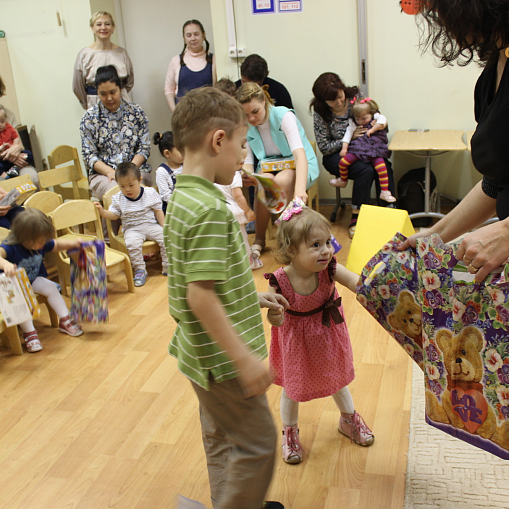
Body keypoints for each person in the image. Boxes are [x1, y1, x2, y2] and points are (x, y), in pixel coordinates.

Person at [165, 86, 286, 509]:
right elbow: (200, 297)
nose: (242, 157)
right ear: (219, 140)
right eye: (241, 143)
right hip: (223, 362)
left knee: (220, 435)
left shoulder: (182, 198)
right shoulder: (213, 210)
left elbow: (201, 281)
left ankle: (225, 500)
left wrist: (252, 298)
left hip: (198, 357)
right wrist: (244, 360)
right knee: (258, 444)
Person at [398, 0, 509, 283]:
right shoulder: (495, 67)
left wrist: (506, 232)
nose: (439, 19)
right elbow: (497, 183)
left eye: (438, 9)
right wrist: (436, 234)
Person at [264, 202, 374, 463]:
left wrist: (378, 288)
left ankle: (349, 420)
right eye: (315, 245)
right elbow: (274, 315)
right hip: (295, 343)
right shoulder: (279, 280)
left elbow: (356, 283)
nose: (326, 251)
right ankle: (289, 432)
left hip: (327, 335)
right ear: (291, 250)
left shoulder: (330, 268)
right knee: (292, 387)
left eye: (327, 242)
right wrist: (275, 314)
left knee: (336, 379)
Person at [236, 82, 319, 260]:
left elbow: (300, 156)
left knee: (282, 179)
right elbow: (249, 162)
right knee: (263, 181)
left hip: (300, 165)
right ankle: (259, 239)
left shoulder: (284, 115)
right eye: (246, 115)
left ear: (264, 102)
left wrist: (299, 191)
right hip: (270, 166)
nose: (251, 119)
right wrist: (248, 175)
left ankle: (287, 240)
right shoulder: (248, 125)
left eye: (255, 112)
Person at [311, 72, 395, 238]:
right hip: (338, 154)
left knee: (383, 165)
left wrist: (373, 130)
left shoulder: (357, 98)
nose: (339, 102)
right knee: (365, 169)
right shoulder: (320, 113)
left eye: (340, 96)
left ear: (343, 89)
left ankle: (388, 213)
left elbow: (383, 125)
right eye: (333, 101)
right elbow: (324, 147)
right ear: (323, 101)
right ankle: (357, 217)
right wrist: (348, 139)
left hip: (367, 148)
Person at [0, 209, 84, 353]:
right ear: (22, 237)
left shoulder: (41, 240)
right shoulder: (11, 246)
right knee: (23, 300)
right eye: (39, 243)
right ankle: (30, 333)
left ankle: (65, 320)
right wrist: (6, 264)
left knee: (51, 287)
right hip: (14, 288)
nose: (43, 245)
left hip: (32, 279)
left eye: (44, 242)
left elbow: (55, 245)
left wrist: (72, 244)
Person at [80, 65, 152, 203]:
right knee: (117, 194)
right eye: (103, 94)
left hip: (136, 169)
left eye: (113, 92)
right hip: (104, 175)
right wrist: (110, 172)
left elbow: (144, 148)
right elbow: (89, 155)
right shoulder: (89, 118)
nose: (109, 98)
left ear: (120, 89)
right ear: (97, 93)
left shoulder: (136, 112)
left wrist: (130, 171)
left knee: (134, 188)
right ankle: (115, 224)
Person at [94, 162, 167, 287]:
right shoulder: (118, 198)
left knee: (166, 237)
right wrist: (102, 211)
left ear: (140, 180)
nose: (127, 189)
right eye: (122, 186)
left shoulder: (150, 193)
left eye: (131, 185)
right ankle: (139, 270)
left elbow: (158, 211)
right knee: (132, 244)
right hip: (132, 229)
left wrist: (164, 227)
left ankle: (168, 265)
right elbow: (114, 215)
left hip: (151, 225)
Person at [331, 97, 395, 203]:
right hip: (359, 149)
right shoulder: (353, 123)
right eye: (358, 119)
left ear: (371, 114)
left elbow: (383, 121)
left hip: (375, 150)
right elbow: (347, 135)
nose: (360, 121)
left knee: (382, 168)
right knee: (343, 162)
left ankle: (385, 191)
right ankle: (343, 180)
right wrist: (344, 148)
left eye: (364, 118)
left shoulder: (376, 117)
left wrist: (373, 129)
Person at [73, 11, 134, 110]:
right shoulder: (84, 54)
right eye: (98, 24)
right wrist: (87, 103)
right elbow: (78, 85)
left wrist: (117, 93)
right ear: (92, 28)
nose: (103, 27)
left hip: (121, 102)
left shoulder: (121, 53)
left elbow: (130, 81)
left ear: (113, 28)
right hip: (95, 102)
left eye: (107, 24)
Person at [214, 156, 261, 270]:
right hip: (231, 210)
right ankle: (249, 263)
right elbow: (238, 196)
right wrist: (248, 211)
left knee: (222, 239)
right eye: (241, 164)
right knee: (241, 237)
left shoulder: (214, 172)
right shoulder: (234, 175)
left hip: (216, 208)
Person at [164, 19, 217, 112]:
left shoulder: (214, 60)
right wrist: (175, 112)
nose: (193, 38)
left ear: (203, 35)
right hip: (183, 117)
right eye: (189, 35)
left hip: (209, 116)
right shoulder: (176, 61)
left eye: (196, 34)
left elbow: (218, 91)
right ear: (184, 39)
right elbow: (169, 89)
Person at [0, 76, 40, 188]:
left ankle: (32, 205)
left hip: (15, 162)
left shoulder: (7, 114)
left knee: (33, 177)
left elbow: (20, 145)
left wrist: (15, 150)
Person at [0, 105, 34, 179]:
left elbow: (20, 145)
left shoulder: (8, 116)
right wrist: (5, 155)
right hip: (2, 159)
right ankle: (7, 177)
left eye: (2, 121)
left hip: (16, 157)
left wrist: (15, 148)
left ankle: (15, 169)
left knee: (32, 177)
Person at [153, 131, 183, 213]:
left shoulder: (186, 166)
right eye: (180, 150)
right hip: (172, 209)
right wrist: (182, 203)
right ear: (167, 153)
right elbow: (165, 196)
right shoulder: (162, 171)